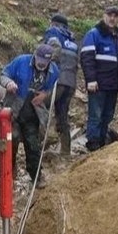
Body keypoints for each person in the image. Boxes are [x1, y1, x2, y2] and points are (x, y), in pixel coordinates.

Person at [0, 44, 60, 188]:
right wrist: (9, 83)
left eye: (45, 62)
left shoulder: (54, 72)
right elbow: (3, 75)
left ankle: (36, 177)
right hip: (13, 110)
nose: (41, 64)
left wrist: (45, 95)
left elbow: (52, 89)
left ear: (50, 61)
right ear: (35, 55)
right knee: (11, 139)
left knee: (33, 145)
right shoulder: (21, 61)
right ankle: (9, 172)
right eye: (39, 60)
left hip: (32, 114)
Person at [80, 5, 118, 151]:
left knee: (107, 115)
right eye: (109, 15)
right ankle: (93, 144)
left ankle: (101, 142)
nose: (112, 18)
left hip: (113, 85)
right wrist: (91, 80)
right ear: (104, 16)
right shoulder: (94, 34)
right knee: (96, 115)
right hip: (98, 85)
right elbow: (87, 58)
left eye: (115, 16)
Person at [43, 13, 79, 156]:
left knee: (39, 106)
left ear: (54, 23)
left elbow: (54, 48)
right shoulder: (73, 41)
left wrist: (48, 66)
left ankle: (41, 143)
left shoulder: (53, 31)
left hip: (57, 80)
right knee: (62, 114)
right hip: (70, 83)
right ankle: (65, 151)